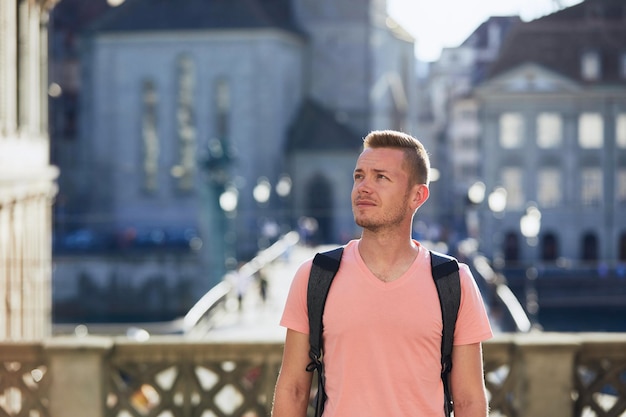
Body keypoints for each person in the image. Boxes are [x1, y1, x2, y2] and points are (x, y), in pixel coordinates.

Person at [272, 130, 493, 417]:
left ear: (417, 195)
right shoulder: (315, 276)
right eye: (358, 176)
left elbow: (468, 401)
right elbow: (293, 390)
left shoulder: (453, 281)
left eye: (380, 177)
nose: (363, 187)